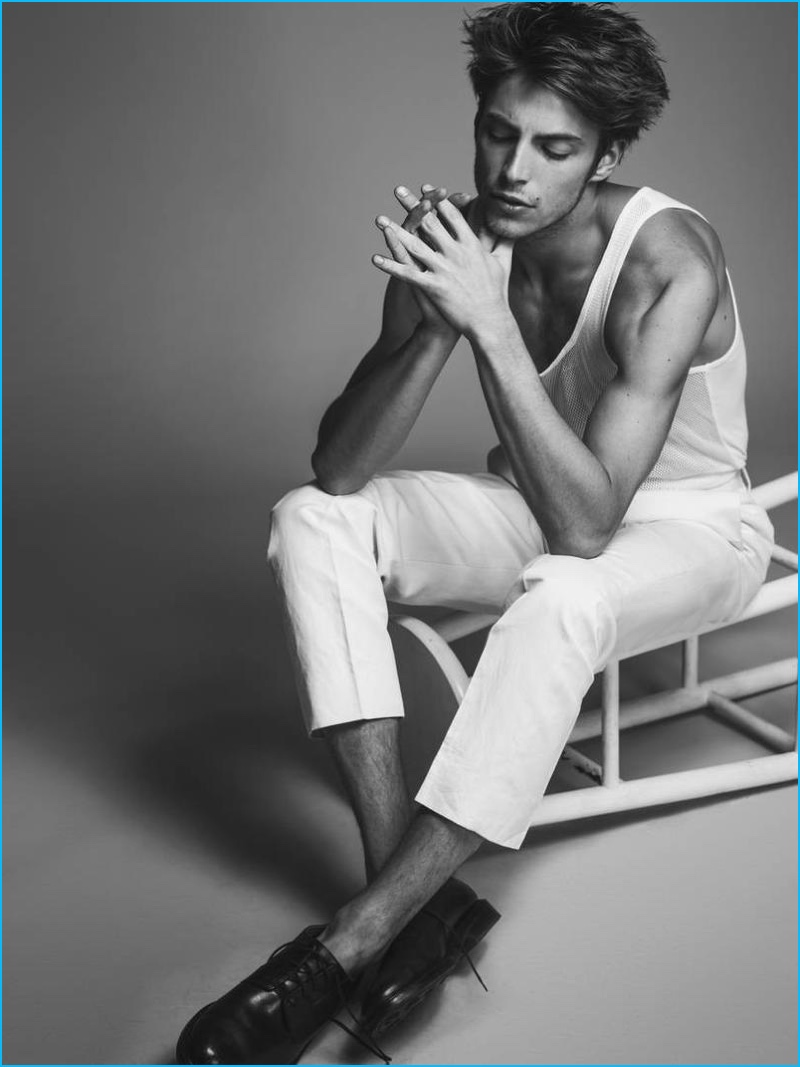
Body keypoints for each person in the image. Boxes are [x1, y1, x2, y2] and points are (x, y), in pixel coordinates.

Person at [176, 3, 774, 1063]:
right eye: (497, 132)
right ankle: (406, 896)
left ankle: (348, 941)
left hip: (688, 530)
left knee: (562, 594)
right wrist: (439, 322)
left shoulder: (669, 260)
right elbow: (339, 466)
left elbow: (586, 529)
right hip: (543, 504)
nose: (512, 170)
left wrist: (492, 326)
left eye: (553, 148)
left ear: (603, 156)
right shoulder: (461, 239)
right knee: (312, 519)